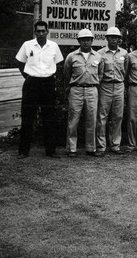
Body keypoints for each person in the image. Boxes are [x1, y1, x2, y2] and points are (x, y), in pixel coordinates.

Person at [15, 21, 64, 159]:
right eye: (38, 31)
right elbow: (20, 62)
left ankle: (51, 151)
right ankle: (23, 151)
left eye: (43, 31)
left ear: (47, 31)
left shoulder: (53, 46)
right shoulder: (27, 45)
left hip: (48, 84)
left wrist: (54, 80)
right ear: (35, 32)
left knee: (49, 118)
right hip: (32, 84)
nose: (41, 33)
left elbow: (59, 64)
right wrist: (27, 76)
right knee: (27, 118)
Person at [64, 28, 103, 157]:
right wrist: (71, 86)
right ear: (79, 41)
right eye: (83, 40)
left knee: (92, 119)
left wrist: (94, 83)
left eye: (88, 40)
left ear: (92, 41)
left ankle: (90, 148)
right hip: (76, 89)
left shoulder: (98, 56)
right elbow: (66, 73)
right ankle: (72, 149)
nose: (85, 42)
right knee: (73, 120)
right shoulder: (72, 56)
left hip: (92, 89)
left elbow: (100, 74)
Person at [95, 27, 128, 155]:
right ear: (107, 38)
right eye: (111, 37)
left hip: (119, 85)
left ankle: (115, 145)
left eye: (116, 37)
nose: (114, 40)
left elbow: (126, 70)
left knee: (118, 116)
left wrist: (121, 82)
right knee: (102, 116)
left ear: (119, 39)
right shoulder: (100, 53)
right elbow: (98, 72)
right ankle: (101, 146)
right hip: (105, 86)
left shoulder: (124, 54)